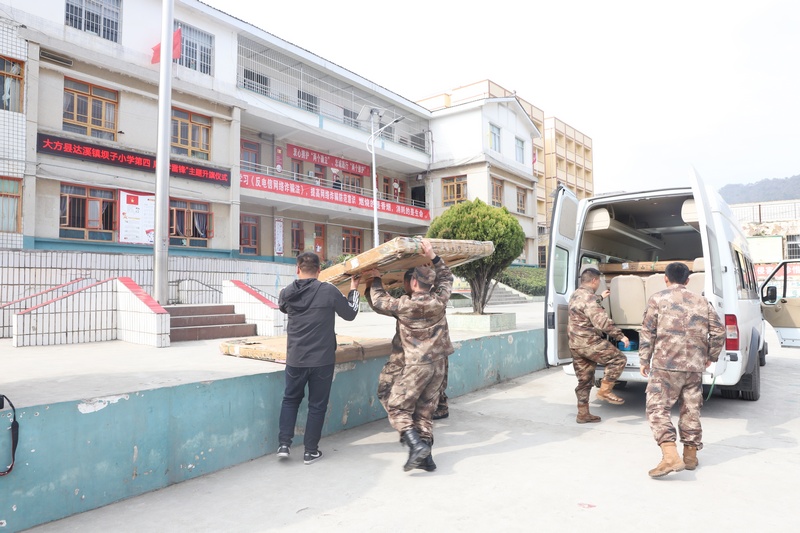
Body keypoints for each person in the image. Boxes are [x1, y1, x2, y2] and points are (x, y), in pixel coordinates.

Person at [365, 239, 453, 472]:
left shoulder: (404, 305)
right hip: (439, 366)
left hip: (417, 365)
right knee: (425, 412)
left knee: (397, 407)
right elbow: (447, 277)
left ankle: (415, 445)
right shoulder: (440, 301)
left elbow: (379, 300)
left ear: (413, 282)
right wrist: (433, 255)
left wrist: (375, 278)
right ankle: (427, 459)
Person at [639, 262, 725, 478]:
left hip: (665, 366)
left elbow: (648, 331)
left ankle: (670, 456)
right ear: (687, 280)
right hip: (693, 367)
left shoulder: (657, 299)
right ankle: (690, 457)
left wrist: (644, 359)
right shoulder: (702, 301)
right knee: (691, 409)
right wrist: (711, 356)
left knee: (657, 408)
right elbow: (719, 332)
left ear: (666, 278)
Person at [277, 252, 360, 465]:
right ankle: (310, 451)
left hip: (295, 358)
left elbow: (282, 306)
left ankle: (284, 445)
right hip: (322, 360)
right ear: (319, 270)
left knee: (290, 399)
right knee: (317, 405)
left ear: (297, 269)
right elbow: (350, 314)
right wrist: (354, 289)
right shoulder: (328, 291)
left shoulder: (286, 292)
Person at [567, 267, 629, 424]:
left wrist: (600, 297)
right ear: (594, 280)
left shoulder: (575, 294)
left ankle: (583, 414)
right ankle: (605, 391)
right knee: (619, 359)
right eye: (598, 281)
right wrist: (621, 336)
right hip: (588, 342)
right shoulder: (590, 298)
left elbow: (585, 306)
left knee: (584, 381)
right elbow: (602, 323)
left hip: (575, 344)